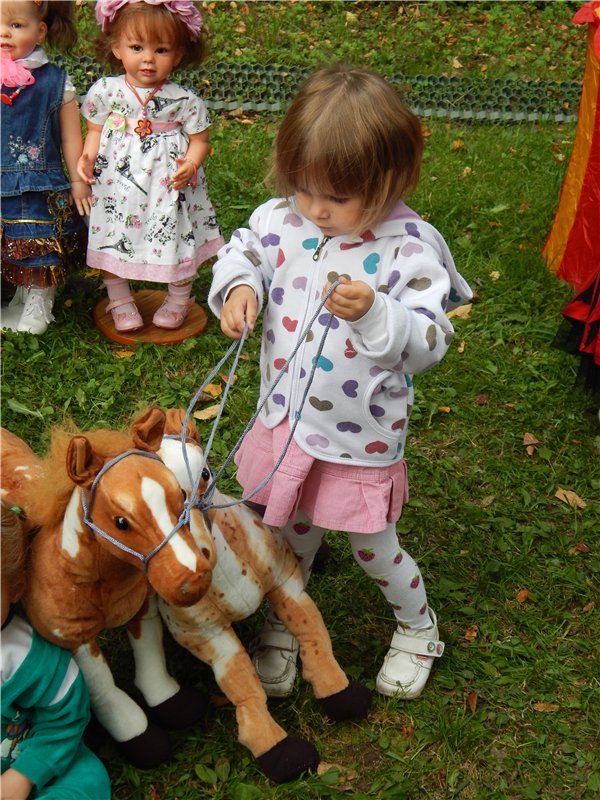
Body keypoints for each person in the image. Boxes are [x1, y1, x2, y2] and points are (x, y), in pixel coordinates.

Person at [208, 64, 472, 700]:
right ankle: (284, 627)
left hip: (359, 437)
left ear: (387, 182)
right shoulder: (283, 222)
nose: (317, 209)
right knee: (286, 534)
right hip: (288, 424)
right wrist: (240, 285)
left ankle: (417, 627)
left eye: (337, 196)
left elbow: (430, 341)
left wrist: (380, 313)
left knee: (373, 547)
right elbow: (240, 249)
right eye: (303, 187)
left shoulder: (409, 249)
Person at [77, 0, 224, 332]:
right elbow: (96, 131)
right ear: (116, 47)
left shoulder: (185, 99)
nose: (148, 58)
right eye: (136, 47)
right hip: (117, 179)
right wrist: (87, 157)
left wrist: (191, 162)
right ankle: (119, 296)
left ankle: (178, 296)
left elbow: (200, 140)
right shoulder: (106, 91)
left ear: (179, 55)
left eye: (161, 50)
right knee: (113, 231)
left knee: (176, 230)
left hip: (168, 180)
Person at [1, 503, 111, 799]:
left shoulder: (32, 659)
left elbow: (64, 718)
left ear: (15, 587)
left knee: (89, 780)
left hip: (28, 761)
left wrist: (23, 775)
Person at [0, 0, 90, 336]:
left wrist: (79, 181)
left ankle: (39, 296)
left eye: (16, 26)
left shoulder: (56, 82)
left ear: (40, 31)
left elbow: (70, 140)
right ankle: (10, 287)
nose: (3, 33)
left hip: (36, 182)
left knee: (36, 240)